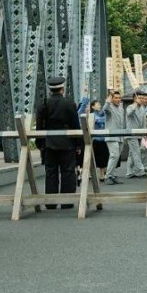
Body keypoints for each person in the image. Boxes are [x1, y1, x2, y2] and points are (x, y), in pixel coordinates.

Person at [35, 77, 82, 209]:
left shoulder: (44, 104)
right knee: (68, 171)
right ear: (62, 89)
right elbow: (75, 124)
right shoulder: (69, 103)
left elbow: (39, 125)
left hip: (49, 141)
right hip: (67, 141)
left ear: (50, 89)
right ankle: (67, 201)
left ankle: (51, 202)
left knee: (51, 172)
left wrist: (40, 143)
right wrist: (79, 143)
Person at [76, 99, 110, 183]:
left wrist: (107, 102)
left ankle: (102, 174)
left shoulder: (101, 114)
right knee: (87, 158)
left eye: (99, 104)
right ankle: (82, 174)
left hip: (102, 139)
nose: (99, 106)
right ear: (93, 106)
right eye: (97, 104)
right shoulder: (87, 116)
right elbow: (80, 113)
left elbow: (105, 112)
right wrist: (84, 103)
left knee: (102, 158)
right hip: (90, 139)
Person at [102, 91, 126, 184]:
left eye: (119, 98)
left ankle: (112, 175)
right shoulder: (109, 107)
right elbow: (104, 109)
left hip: (120, 136)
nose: (118, 99)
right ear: (112, 99)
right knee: (114, 155)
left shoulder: (121, 108)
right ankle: (108, 176)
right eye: (116, 98)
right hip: (111, 136)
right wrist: (107, 102)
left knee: (117, 157)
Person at [125, 91, 147, 178]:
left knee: (132, 154)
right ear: (135, 99)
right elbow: (129, 113)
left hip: (140, 133)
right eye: (140, 98)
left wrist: (145, 133)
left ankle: (129, 172)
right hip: (131, 134)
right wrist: (135, 105)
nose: (142, 100)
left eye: (142, 98)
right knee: (136, 153)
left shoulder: (142, 108)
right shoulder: (130, 107)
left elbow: (144, 121)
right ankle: (140, 171)